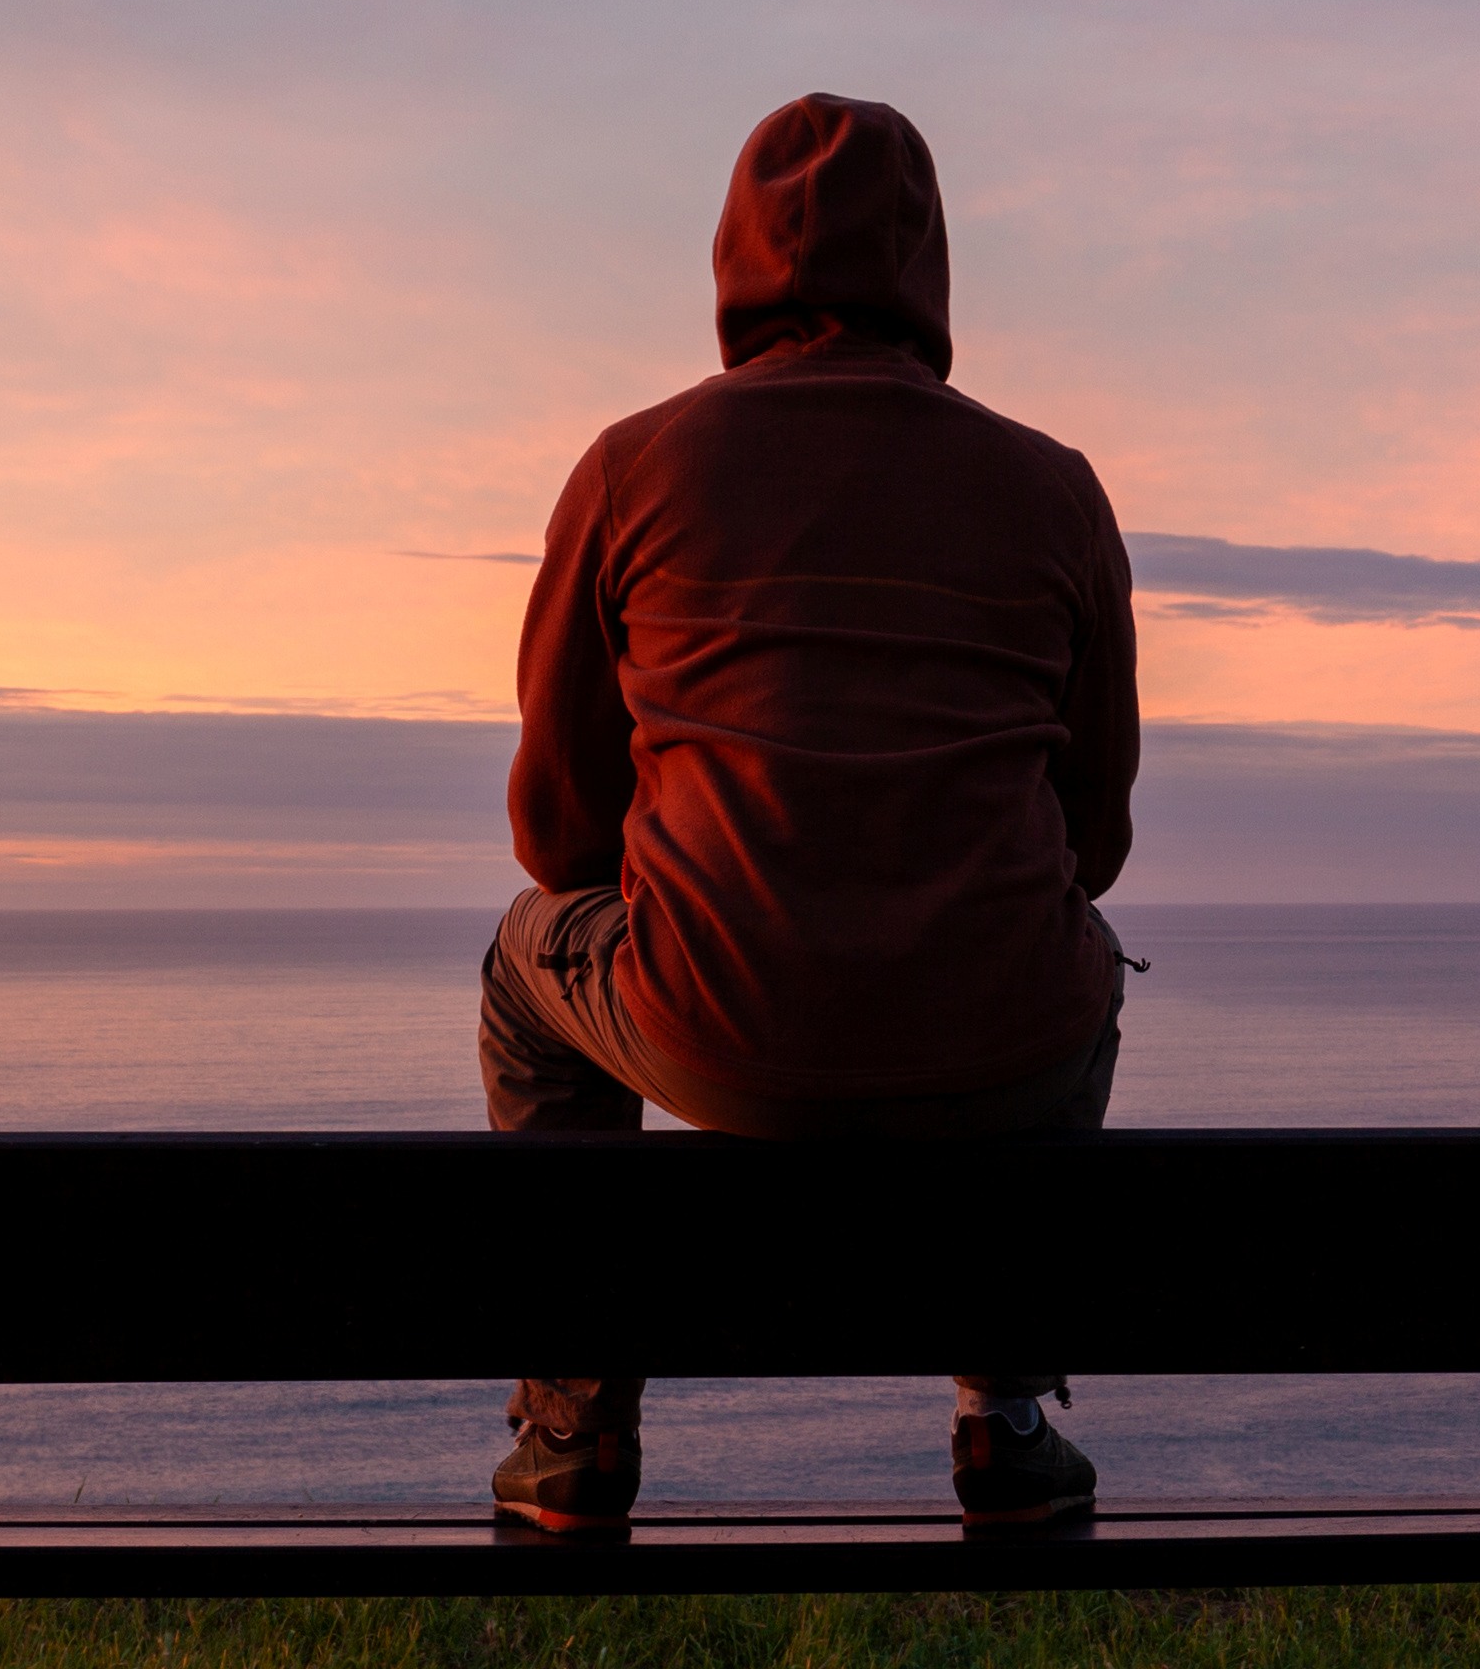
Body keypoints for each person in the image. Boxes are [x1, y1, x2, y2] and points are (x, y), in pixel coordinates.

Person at [477, 92, 1140, 1532]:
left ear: (735, 258)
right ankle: (1004, 1415)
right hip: (999, 1047)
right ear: (932, 265)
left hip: (716, 1034)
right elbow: (1093, 842)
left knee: (520, 958)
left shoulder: (634, 466)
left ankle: (576, 1422)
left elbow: (556, 833)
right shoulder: (1053, 487)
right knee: (1071, 957)